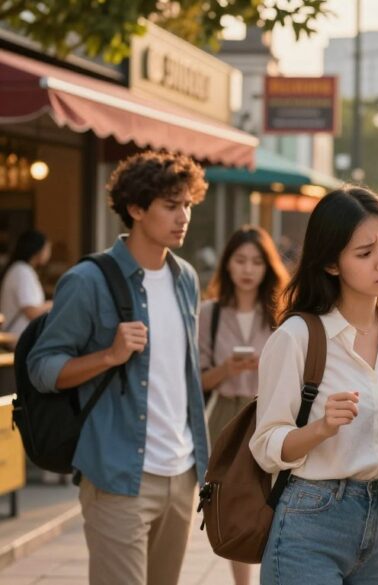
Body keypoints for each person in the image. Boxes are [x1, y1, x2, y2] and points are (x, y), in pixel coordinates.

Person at [27, 151, 210, 585]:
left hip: (182, 471)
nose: (183, 216)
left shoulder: (185, 277)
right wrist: (108, 356)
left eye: (188, 204)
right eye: (171, 205)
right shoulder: (87, 281)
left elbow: (183, 377)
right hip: (118, 473)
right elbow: (42, 368)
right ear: (136, 209)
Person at [250, 187, 378, 585]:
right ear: (330, 264)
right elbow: (266, 446)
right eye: (364, 253)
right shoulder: (297, 337)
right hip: (310, 520)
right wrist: (321, 428)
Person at [199, 225, 289, 585]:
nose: (248, 269)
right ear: (227, 264)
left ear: (268, 266)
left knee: (277, 499)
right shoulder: (210, 314)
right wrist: (228, 369)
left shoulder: (282, 312)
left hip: (271, 411)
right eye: (240, 260)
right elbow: (199, 380)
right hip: (226, 415)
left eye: (256, 261)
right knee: (236, 500)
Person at [0, 229, 52, 341]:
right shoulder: (22, 271)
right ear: (37, 250)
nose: (49, 253)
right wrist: (52, 304)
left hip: (20, 337)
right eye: (47, 248)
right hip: (19, 338)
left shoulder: (20, 269)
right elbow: (31, 312)